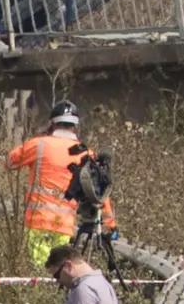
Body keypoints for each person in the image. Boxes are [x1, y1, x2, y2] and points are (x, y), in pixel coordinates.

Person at [6, 104, 109, 267]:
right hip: (65, 223)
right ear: (75, 127)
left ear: (51, 123)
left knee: (38, 268)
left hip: (37, 221)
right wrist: (110, 223)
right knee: (59, 269)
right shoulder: (85, 153)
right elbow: (99, 192)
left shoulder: (38, 144)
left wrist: (35, 138)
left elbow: (10, 162)